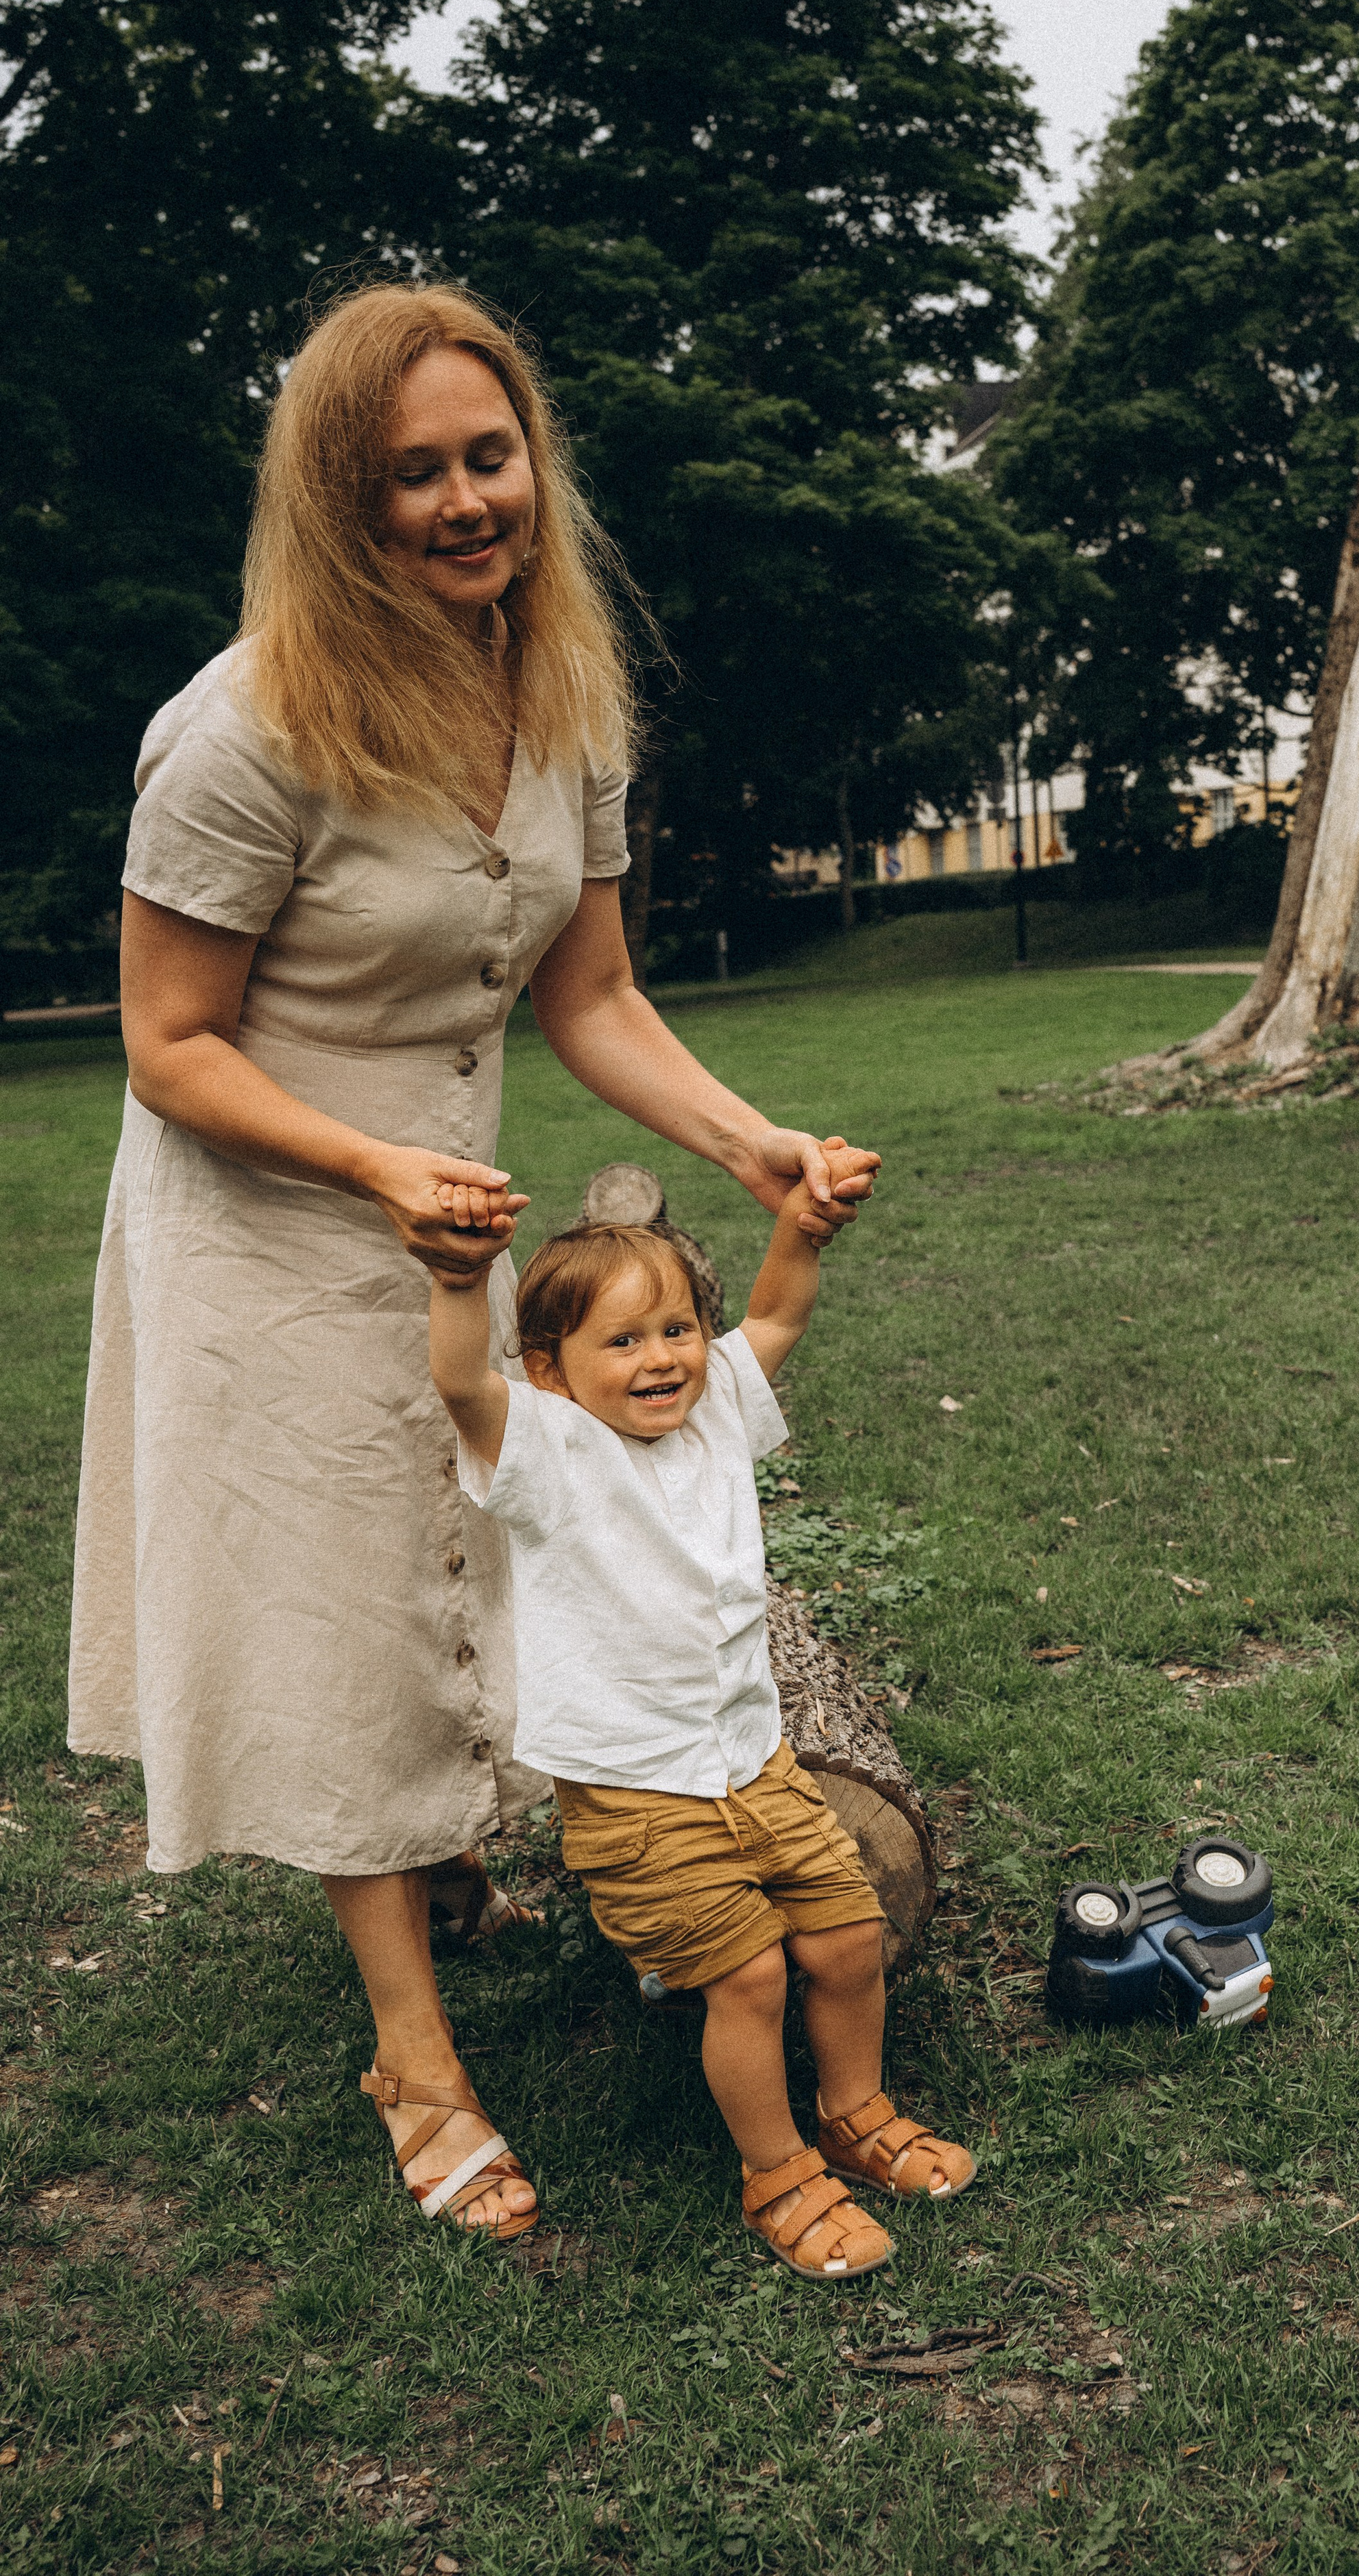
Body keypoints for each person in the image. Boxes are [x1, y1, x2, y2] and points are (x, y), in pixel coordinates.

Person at [68, 282, 878, 2241]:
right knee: (347, 1610)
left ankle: (455, 1863)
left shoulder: (563, 695)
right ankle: (416, 2060)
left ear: (535, 462)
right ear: (338, 505)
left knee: (486, 1549)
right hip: (268, 1219)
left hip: (454, 1218)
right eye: (410, 474)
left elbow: (589, 994)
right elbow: (165, 1041)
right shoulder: (244, 732)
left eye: (487, 457)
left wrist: (750, 1142)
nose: (461, 502)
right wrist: (371, 1163)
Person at [427, 1199, 977, 2280]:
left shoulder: (715, 1406)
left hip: (756, 1762)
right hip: (637, 1795)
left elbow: (776, 1316)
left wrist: (801, 1228)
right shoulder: (547, 1449)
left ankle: (856, 2115)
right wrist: (456, 1281)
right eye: (623, 1341)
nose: (662, 1358)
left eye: (677, 1328)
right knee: (751, 1978)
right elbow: (459, 1383)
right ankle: (777, 2175)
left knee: (849, 1940)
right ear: (549, 1370)